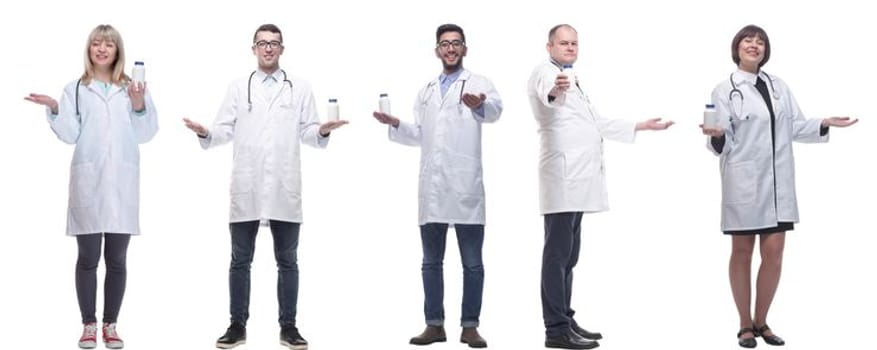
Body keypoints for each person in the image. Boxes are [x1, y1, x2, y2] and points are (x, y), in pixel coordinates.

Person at [184, 24, 348, 350]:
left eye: (274, 44)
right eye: (262, 43)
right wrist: (204, 132)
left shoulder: (299, 88)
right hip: (248, 186)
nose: (268, 48)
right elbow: (222, 131)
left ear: (282, 49)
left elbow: (309, 134)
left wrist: (324, 131)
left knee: (288, 261)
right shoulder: (238, 87)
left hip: (284, 188)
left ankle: (289, 327)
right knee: (239, 260)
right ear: (254, 49)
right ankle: (237, 325)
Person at [701, 24, 858, 349]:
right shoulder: (724, 89)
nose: (754, 45)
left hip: (778, 186)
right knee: (742, 253)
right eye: (748, 40)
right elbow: (724, 136)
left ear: (765, 50)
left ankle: (762, 320)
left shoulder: (778, 86)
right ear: (737, 47)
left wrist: (825, 123)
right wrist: (717, 137)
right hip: (744, 184)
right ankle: (744, 324)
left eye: (760, 42)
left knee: (774, 254)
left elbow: (795, 126)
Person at [528, 23, 674, 350]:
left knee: (569, 256)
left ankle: (565, 318)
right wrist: (557, 87)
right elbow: (548, 92)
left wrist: (641, 126)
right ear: (549, 46)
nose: (570, 48)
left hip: (577, 181)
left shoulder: (573, 79)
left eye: (574, 43)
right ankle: (555, 330)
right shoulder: (547, 73)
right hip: (562, 179)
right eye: (563, 43)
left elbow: (595, 123)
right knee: (557, 256)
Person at [22, 24, 159, 350]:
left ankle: (111, 325)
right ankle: (88, 325)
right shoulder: (76, 89)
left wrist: (139, 104)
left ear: (117, 51)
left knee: (117, 258)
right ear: (89, 49)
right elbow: (70, 133)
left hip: (122, 183)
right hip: (89, 181)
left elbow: (146, 133)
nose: (101, 49)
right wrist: (55, 107)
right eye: (96, 43)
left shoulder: (133, 87)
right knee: (87, 257)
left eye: (108, 45)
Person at [369, 23, 502, 349]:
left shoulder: (479, 83)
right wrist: (396, 124)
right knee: (431, 262)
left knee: (472, 263)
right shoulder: (426, 91)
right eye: (445, 44)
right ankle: (434, 325)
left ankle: (470, 326)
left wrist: (478, 105)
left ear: (465, 49)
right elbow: (421, 134)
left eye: (456, 43)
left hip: (465, 185)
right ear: (437, 51)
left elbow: (495, 111)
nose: (451, 49)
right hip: (433, 189)